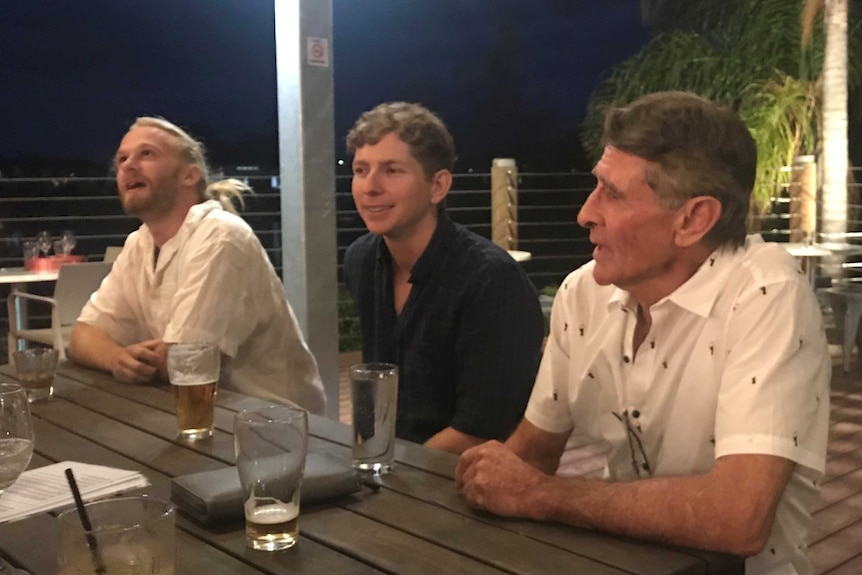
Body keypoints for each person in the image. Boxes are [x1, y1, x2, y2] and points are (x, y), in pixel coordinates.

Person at [455, 91, 830, 574]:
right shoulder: (582, 294)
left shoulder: (766, 294)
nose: (585, 213)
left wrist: (541, 495)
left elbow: (739, 520)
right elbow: (532, 453)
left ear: (693, 219)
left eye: (612, 193)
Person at [68, 116, 326, 414]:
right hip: (198, 413)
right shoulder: (139, 244)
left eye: (147, 154)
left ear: (189, 175)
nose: (128, 165)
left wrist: (157, 354)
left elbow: (188, 364)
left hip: (271, 425)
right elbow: (82, 336)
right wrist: (116, 358)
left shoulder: (221, 236)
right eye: (122, 158)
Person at [342, 102, 545, 454]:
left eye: (392, 170)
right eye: (361, 170)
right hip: (392, 470)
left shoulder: (491, 280)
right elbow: (374, 395)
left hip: (465, 483)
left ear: (438, 186)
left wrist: (387, 473)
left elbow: (482, 430)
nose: (370, 187)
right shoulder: (361, 259)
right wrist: (365, 462)